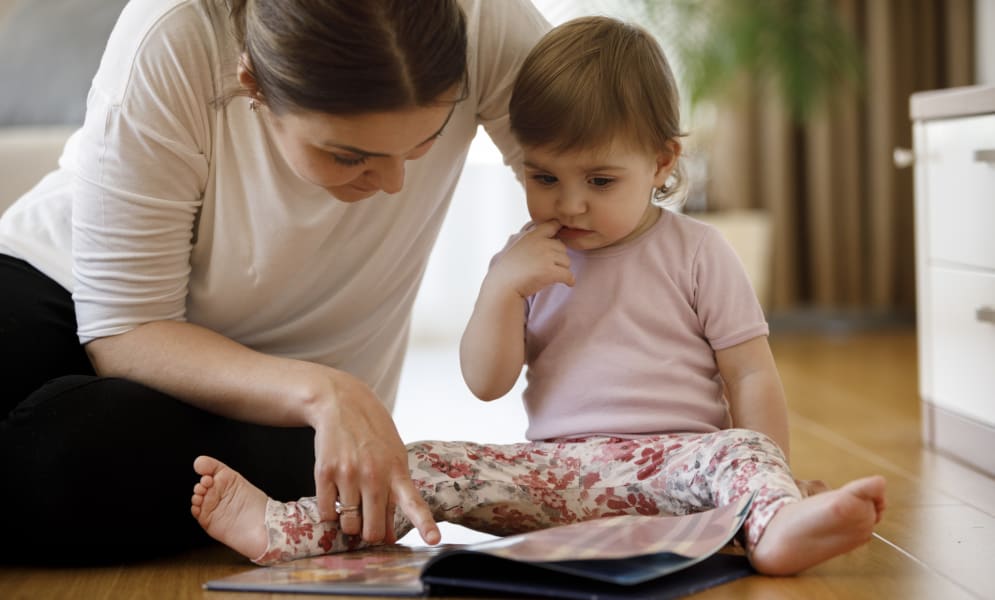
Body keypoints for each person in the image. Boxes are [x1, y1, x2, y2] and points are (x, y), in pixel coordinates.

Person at [187, 16, 886, 576]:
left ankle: (771, 524)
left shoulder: (698, 251)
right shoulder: (522, 259)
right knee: (418, 460)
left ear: (662, 161)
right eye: (543, 177)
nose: (571, 203)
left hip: (682, 467)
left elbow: (750, 372)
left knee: (744, 452)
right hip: (554, 477)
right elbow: (486, 384)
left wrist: (770, 469)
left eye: (601, 181)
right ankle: (281, 529)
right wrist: (499, 288)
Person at [0, 0, 551, 563]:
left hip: (280, 414)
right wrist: (326, 390)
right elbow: (125, 325)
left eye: (423, 143)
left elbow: (610, 180)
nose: (392, 182)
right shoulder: (177, 31)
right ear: (252, 84)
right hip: (66, 285)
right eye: (348, 155)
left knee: (65, 456)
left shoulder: (483, 23)